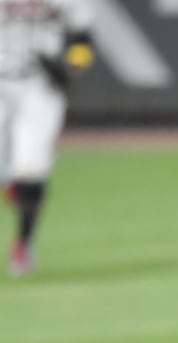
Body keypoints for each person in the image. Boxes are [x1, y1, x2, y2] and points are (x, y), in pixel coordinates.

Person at [0, 0, 95, 277]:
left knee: (31, 169)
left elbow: (83, 39)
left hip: (40, 87)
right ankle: (11, 185)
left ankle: (23, 245)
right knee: (13, 174)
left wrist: (73, 66)